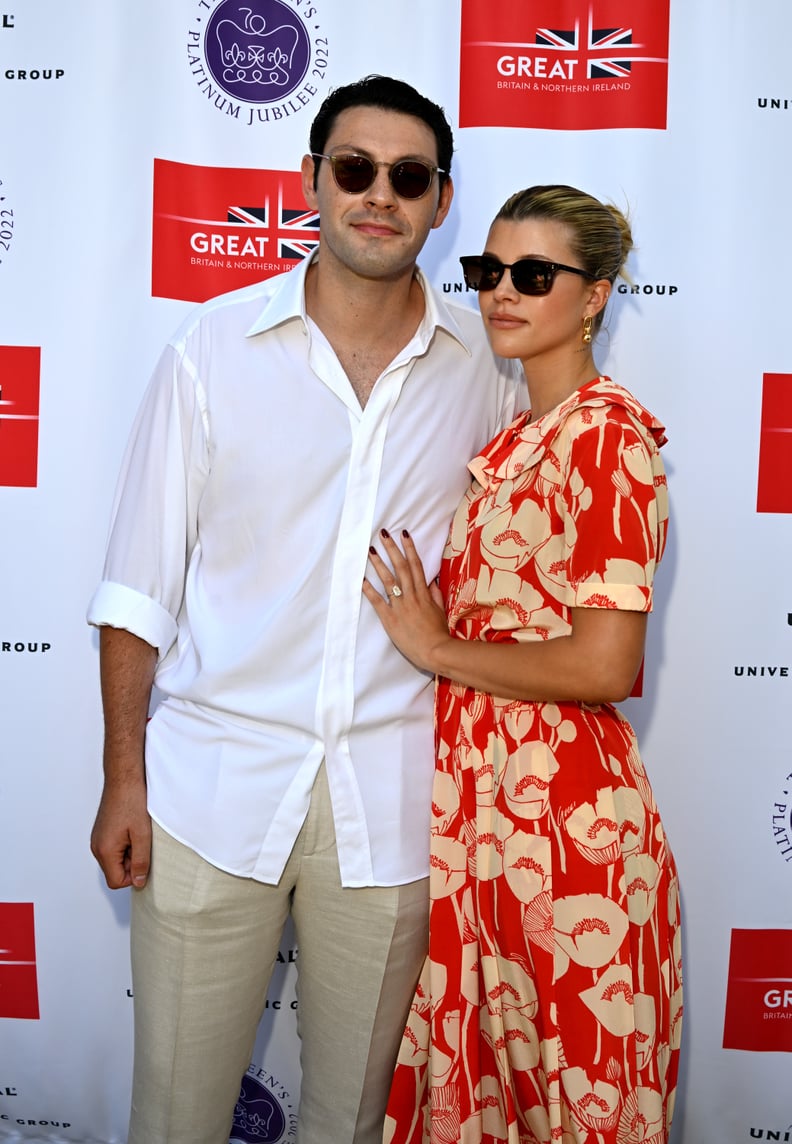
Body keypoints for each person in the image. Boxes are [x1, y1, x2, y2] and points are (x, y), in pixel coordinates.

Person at [86, 75, 524, 1144]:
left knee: (351, 1120)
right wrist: (123, 779)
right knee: (174, 1116)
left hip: (394, 801)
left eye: (408, 177)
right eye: (356, 170)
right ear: (311, 182)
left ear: (441, 199)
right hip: (210, 791)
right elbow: (138, 588)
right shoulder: (210, 350)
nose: (381, 195)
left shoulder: (488, 375)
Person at [364, 185, 683, 1144]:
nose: (502, 292)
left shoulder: (608, 435)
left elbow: (605, 663)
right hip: (485, 823)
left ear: (595, 296)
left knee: (579, 1101)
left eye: (533, 275)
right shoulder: (517, 437)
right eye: (487, 271)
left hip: (568, 834)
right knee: (491, 1104)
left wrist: (434, 647)